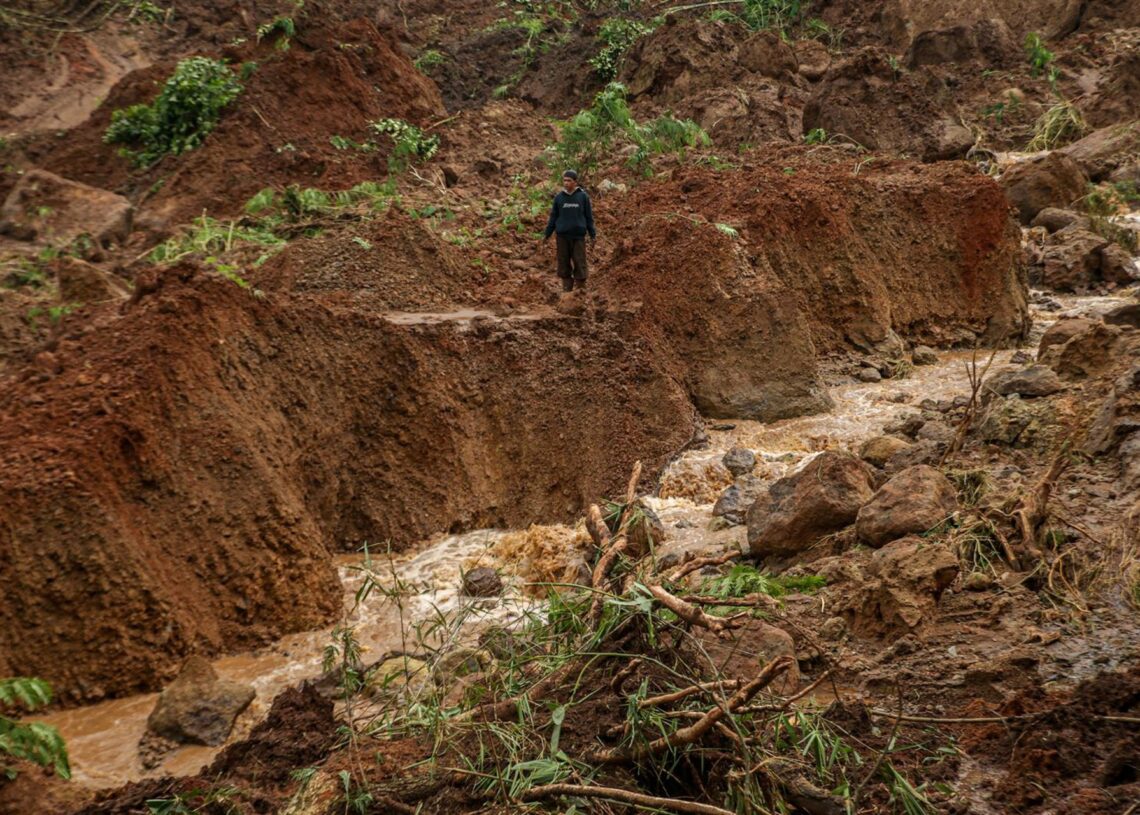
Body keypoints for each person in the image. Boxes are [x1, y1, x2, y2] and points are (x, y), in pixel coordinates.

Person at [543, 169, 596, 292]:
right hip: (562, 236)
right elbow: (553, 217)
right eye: (564, 180)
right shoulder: (559, 198)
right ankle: (567, 290)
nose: (566, 183)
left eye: (569, 180)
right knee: (563, 262)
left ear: (575, 182)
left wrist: (592, 234)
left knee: (579, 261)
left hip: (578, 237)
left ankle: (581, 290)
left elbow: (589, 217)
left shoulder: (583, 197)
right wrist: (547, 234)